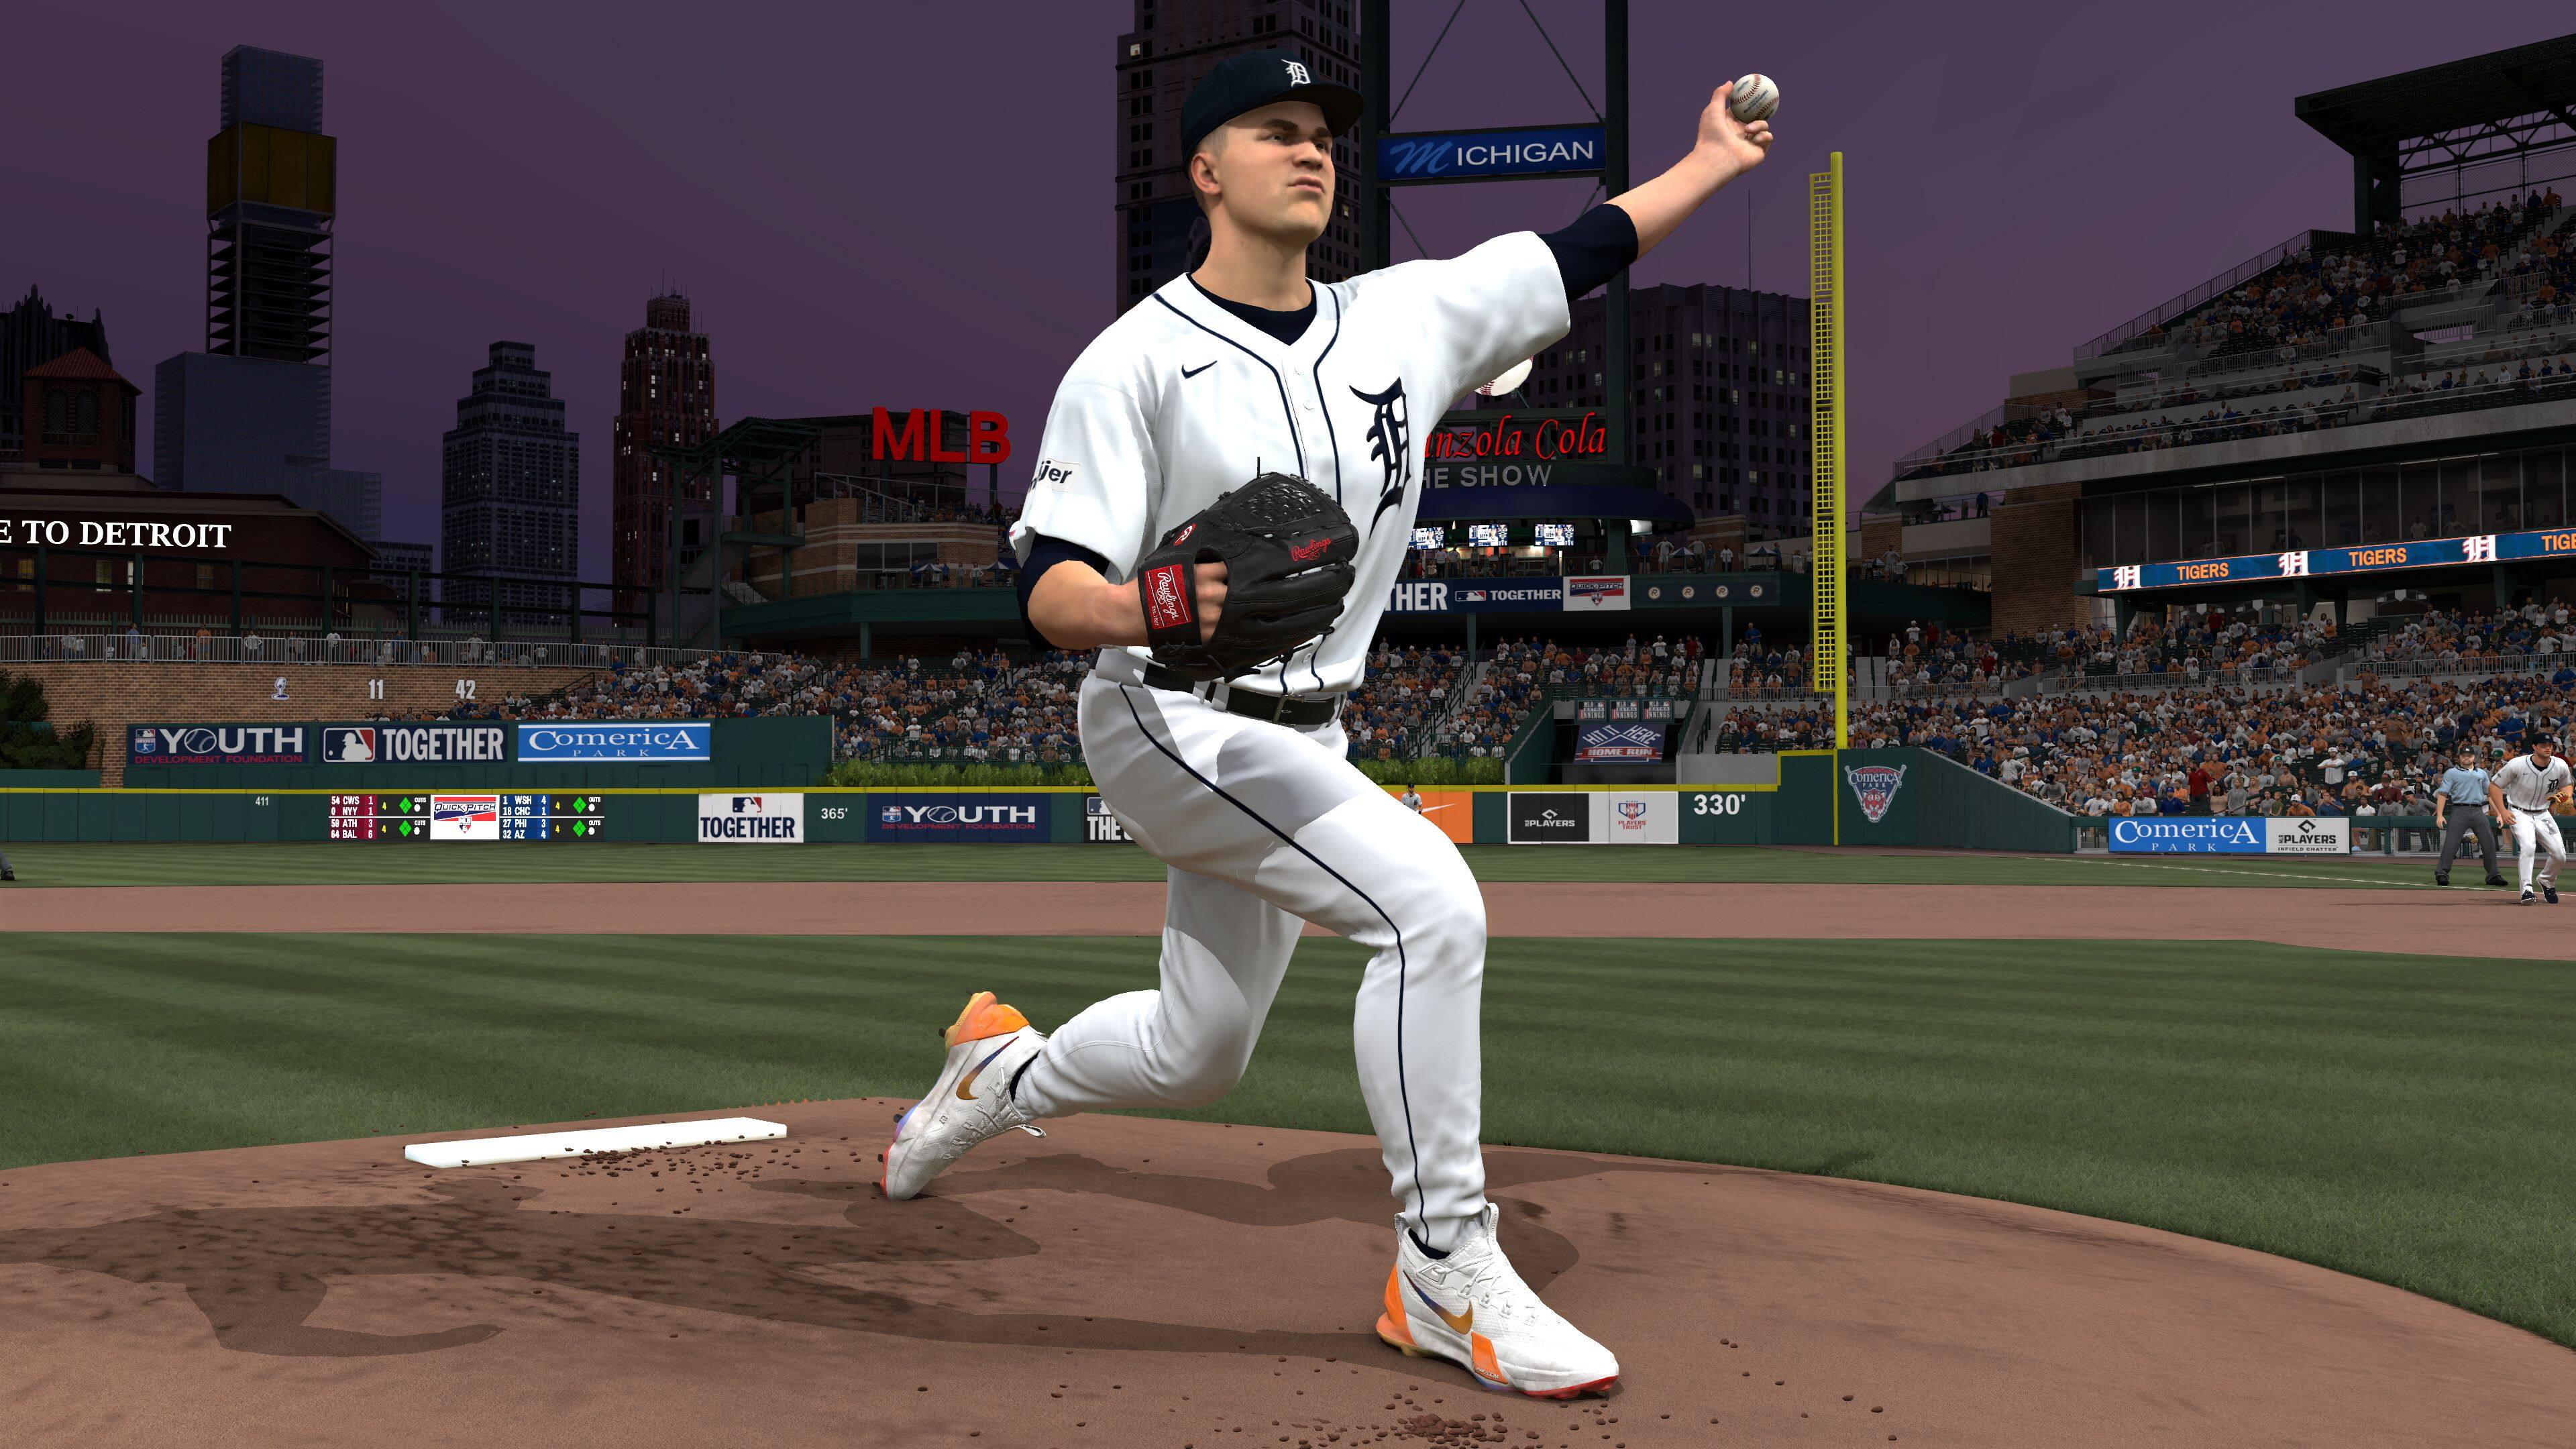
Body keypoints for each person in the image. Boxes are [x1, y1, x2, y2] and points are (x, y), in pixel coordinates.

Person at [875, 51, 1772, 1400]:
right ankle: (1444, 1266)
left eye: (1324, 134)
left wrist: (1707, 161)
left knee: (1197, 1053)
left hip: (1307, 735)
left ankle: (997, 1076)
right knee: (1430, 908)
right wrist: (1142, 603)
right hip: (1168, 715)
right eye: (1275, 130)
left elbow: (1584, 248)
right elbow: (1047, 586)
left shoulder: (1410, 315)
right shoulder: (1133, 364)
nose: (1311, 151)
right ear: (1204, 170)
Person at [2486, 733, 2573, 904]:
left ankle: (2546, 880)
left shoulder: (2560, 765)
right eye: (2543, 745)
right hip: (2519, 812)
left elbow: (2567, 784)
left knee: (2560, 855)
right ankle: (2527, 890)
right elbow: (2494, 786)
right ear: (2534, 747)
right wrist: (2502, 811)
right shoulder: (2517, 764)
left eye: (2550, 744)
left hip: (2543, 814)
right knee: (2528, 846)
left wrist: (2566, 795)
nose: (2548, 748)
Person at [2431, 745, 2507, 888]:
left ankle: (2493, 875)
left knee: (2489, 843)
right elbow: (2443, 793)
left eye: (2469, 755)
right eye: (2464, 755)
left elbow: (2490, 795)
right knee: (2451, 843)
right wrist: (2439, 815)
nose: (2467, 757)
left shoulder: (2482, 773)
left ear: (2474, 757)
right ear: (2459, 757)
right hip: (2459, 810)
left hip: (2478, 811)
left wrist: (2499, 813)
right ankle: (2442, 873)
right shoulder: (2451, 773)